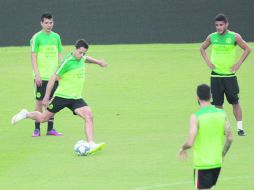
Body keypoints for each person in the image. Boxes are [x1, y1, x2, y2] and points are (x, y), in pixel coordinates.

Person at [11, 39, 107, 155]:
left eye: (84, 53)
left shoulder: (81, 58)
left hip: (76, 98)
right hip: (61, 97)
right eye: (80, 52)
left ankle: (91, 143)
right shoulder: (67, 62)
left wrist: (99, 62)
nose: (82, 55)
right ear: (75, 49)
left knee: (89, 115)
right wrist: (46, 97)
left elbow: (88, 59)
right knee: (43, 119)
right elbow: (53, 78)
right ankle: (26, 114)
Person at [200, 13, 251, 136]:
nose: (218, 27)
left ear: (226, 24)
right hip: (216, 76)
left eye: (221, 25)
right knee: (218, 104)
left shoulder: (234, 37)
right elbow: (202, 48)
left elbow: (247, 49)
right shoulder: (212, 37)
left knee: (235, 102)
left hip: (229, 76)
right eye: (216, 25)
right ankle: (223, 128)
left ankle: (240, 128)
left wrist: (239, 63)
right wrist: (207, 61)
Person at [179, 84, 233, 190]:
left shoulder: (196, 116)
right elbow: (230, 137)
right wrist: (222, 154)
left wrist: (182, 148)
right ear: (211, 96)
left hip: (203, 164)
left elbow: (190, 142)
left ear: (197, 98)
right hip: (217, 163)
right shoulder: (222, 114)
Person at [30, 13, 63, 137]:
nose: (49, 25)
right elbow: (33, 57)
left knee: (52, 102)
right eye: (46, 23)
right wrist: (37, 74)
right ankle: (37, 129)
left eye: (51, 23)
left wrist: (60, 72)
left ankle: (50, 129)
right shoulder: (36, 37)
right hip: (41, 77)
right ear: (41, 23)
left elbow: (60, 55)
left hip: (53, 77)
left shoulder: (57, 37)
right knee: (39, 102)